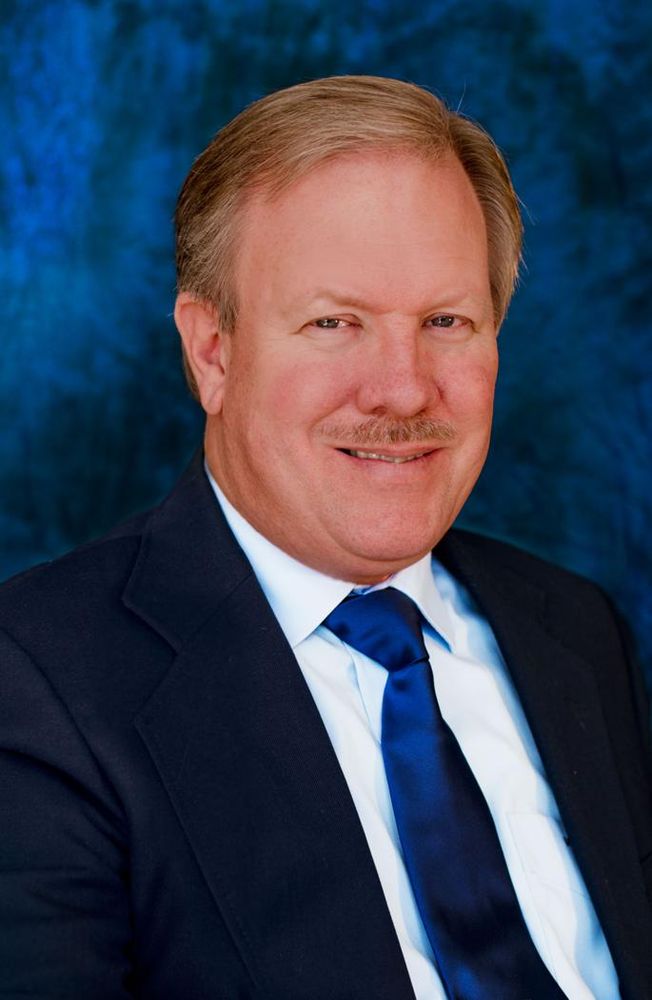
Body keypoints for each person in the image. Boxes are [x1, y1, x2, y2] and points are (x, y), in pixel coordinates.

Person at [0, 75, 650, 1000]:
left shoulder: (576, 631)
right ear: (212, 352)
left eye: (446, 321)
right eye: (334, 323)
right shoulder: (37, 683)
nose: (403, 388)